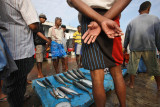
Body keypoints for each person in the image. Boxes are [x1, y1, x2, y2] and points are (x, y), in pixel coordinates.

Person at [67, 0, 131, 107]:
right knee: (117, 72)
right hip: (111, 17)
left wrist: (99, 21)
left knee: (97, 77)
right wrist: (103, 20)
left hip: (89, 19)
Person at [0, 0, 39, 106]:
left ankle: (17, 98)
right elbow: (33, 25)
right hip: (20, 50)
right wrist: (38, 25)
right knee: (17, 84)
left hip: (5, 49)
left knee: (13, 82)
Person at [124, 1, 160, 90]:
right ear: (148, 9)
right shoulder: (155, 19)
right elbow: (158, 35)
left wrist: (125, 47)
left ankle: (131, 84)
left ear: (139, 10)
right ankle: (159, 86)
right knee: (154, 67)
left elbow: (127, 36)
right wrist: (159, 47)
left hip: (135, 47)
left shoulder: (131, 21)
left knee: (132, 66)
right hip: (149, 46)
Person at [33, 14, 51, 78]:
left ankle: (40, 73)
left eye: (45, 19)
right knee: (39, 60)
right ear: (40, 18)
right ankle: (39, 74)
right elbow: (38, 33)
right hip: (39, 44)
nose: (44, 20)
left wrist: (46, 43)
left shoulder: (41, 25)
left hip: (42, 44)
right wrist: (47, 39)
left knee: (41, 60)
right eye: (43, 18)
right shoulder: (37, 24)